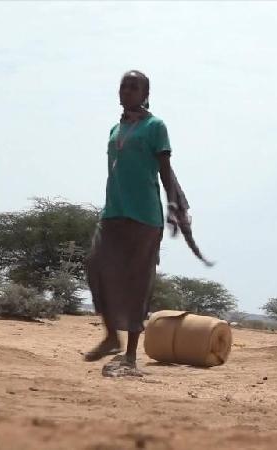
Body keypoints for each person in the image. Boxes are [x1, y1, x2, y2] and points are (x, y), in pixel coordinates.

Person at [84, 70, 191, 374]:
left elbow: (165, 169)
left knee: (137, 282)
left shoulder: (155, 127)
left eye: (134, 87)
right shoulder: (115, 129)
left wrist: (175, 203)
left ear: (146, 94)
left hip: (144, 216)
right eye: (124, 86)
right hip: (113, 211)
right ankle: (111, 337)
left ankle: (130, 356)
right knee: (95, 266)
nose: (127, 91)